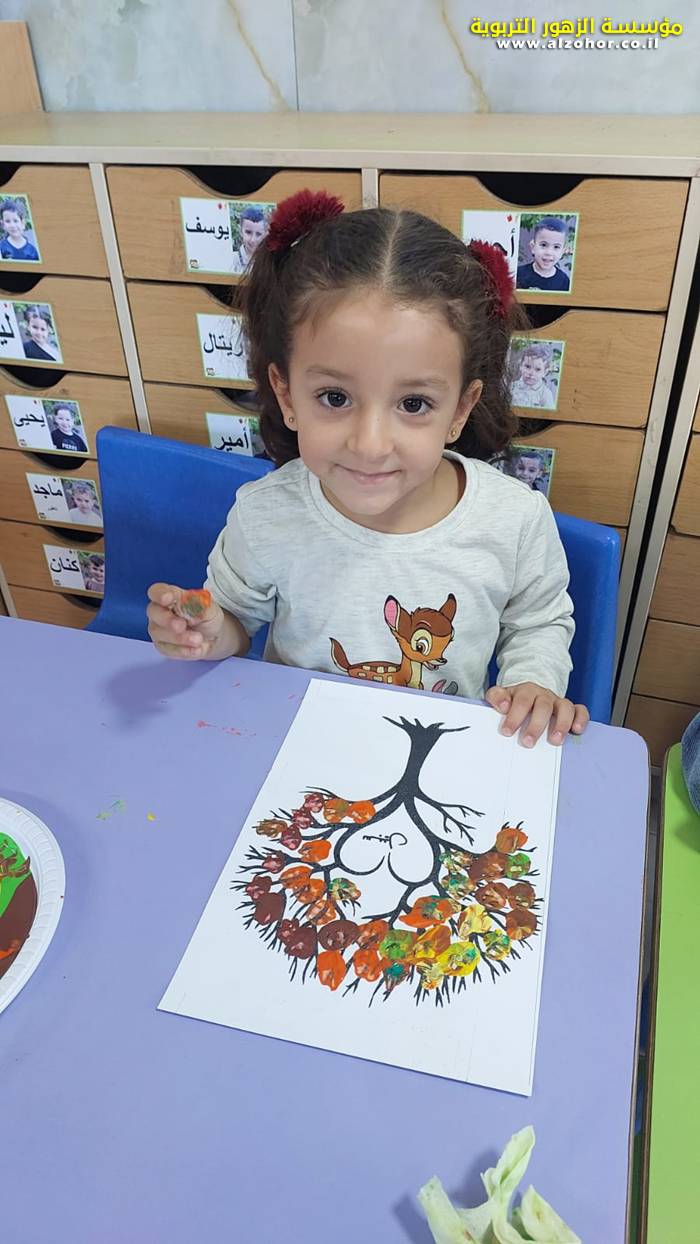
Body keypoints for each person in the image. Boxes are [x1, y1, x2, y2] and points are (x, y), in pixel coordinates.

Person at [147, 191, 589, 748]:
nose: (370, 444)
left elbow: (539, 623)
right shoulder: (266, 514)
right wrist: (206, 633)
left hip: (434, 747)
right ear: (286, 393)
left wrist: (534, 683)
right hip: (294, 744)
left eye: (413, 404)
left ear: (459, 409)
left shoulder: (515, 520)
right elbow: (233, 621)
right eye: (335, 397)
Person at [517, 217, 571, 292]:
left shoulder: (564, 281)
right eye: (543, 245)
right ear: (533, 247)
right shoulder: (518, 274)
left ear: (562, 252)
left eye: (556, 247)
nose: (549, 252)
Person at [510, 343, 556, 409]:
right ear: (521, 366)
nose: (531, 373)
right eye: (527, 366)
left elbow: (549, 414)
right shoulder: (512, 387)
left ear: (545, 372)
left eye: (538, 369)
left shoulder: (545, 394)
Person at [230, 206, 269, 274]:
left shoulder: (268, 262)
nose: (253, 240)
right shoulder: (231, 261)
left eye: (258, 234)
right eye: (248, 232)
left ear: (265, 235)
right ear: (240, 231)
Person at [0, 197, 40, 262]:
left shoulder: (32, 251)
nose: (12, 225)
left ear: (22, 223)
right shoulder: (1, 247)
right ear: (3, 224)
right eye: (7, 221)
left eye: (15, 221)